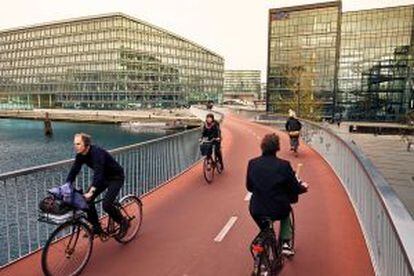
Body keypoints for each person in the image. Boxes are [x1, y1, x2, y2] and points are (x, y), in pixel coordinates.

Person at [247, 133, 308, 256]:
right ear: (277, 148)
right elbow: (294, 187)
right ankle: (285, 242)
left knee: (265, 227)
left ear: (262, 146)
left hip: (256, 209)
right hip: (278, 208)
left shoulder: (252, 163)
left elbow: (249, 187)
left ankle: (264, 241)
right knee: (286, 213)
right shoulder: (284, 165)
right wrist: (303, 188)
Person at [66, 133, 128, 237]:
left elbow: (98, 173)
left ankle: (123, 222)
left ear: (86, 144)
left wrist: (91, 191)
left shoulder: (96, 153)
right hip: (103, 178)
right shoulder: (81, 155)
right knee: (86, 201)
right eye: (74, 144)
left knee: (107, 205)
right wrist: (66, 185)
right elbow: (74, 170)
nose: (75, 146)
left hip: (115, 177)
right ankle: (96, 227)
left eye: (78, 144)